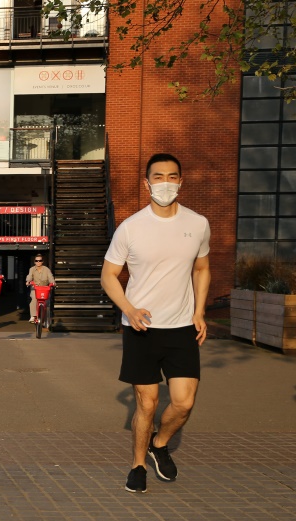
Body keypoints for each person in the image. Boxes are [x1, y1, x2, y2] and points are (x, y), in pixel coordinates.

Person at [100, 153, 210, 494]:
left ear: (181, 182)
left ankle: (159, 443)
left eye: (172, 176)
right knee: (146, 403)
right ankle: (137, 465)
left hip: (181, 328)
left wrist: (200, 311)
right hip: (141, 329)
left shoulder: (198, 224)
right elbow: (108, 276)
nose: (165, 182)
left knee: (183, 402)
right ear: (146, 183)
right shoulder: (131, 228)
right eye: (158, 176)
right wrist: (129, 309)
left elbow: (202, 269)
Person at [25, 254, 56, 324]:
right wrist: (28, 281)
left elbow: (50, 277)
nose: (38, 262)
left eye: (40, 260)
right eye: (36, 261)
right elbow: (29, 276)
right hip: (35, 288)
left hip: (45, 288)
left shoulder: (46, 269)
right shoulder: (32, 269)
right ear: (34, 262)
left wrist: (53, 283)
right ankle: (33, 316)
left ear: (42, 262)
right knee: (34, 299)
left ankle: (46, 319)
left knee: (47, 303)